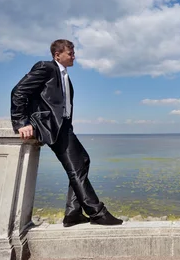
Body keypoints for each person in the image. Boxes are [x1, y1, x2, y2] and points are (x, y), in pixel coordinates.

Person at [11, 39, 123, 227]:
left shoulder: (64, 76)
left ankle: (73, 213)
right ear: (57, 55)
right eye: (70, 53)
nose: (74, 56)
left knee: (83, 161)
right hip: (50, 125)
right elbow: (18, 91)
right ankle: (97, 212)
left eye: (73, 52)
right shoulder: (45, 67)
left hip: (63, 126)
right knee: (77, 167)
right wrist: (21, 122)